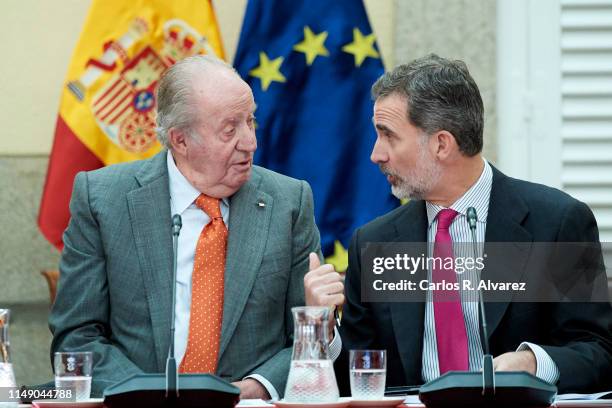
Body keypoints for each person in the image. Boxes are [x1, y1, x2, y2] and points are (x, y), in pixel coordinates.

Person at [49, 55, 336, 399]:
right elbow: (76, 337)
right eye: (230, 130)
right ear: (180, 140)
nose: (250, 143)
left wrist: (259, 386)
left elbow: (306, 340)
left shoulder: (289, 202)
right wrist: (148, 395)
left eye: (250, 121)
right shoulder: (103, 199)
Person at [338, 54, 612, 393]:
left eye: (388, 136)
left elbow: (599, 351)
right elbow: (354, 371)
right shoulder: (372, 244)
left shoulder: (557, 223)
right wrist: (322, 329)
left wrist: (533, 363)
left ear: (441, 144)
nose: (376, 154)